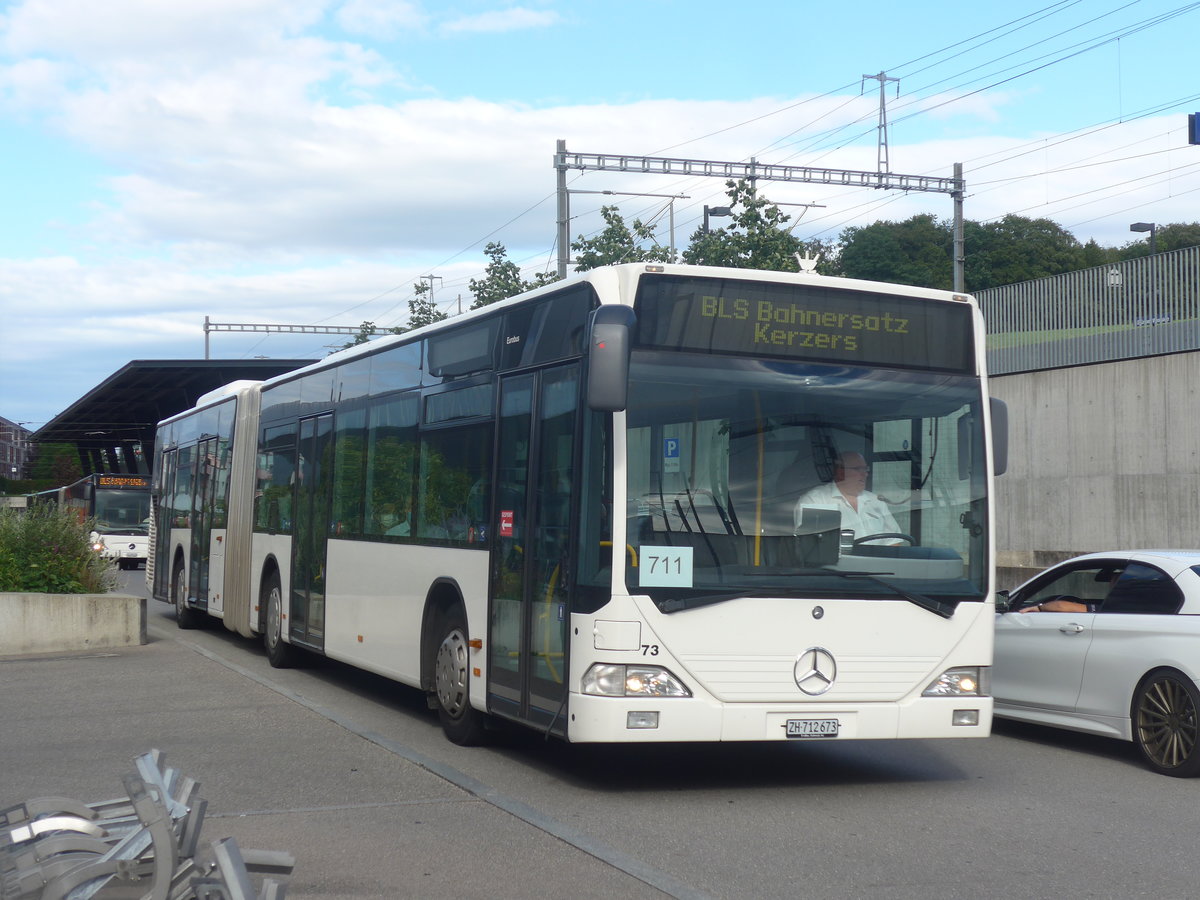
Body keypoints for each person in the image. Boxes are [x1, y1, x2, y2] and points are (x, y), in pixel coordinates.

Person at [794, 451, 902, 546]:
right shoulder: (815, 500)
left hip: (879, 567)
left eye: (865, 469)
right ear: (841, 472)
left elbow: (894, 541)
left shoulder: (876, 501)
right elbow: (809, 546)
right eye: (858, 469)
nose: (865, 474)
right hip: (838, 568)